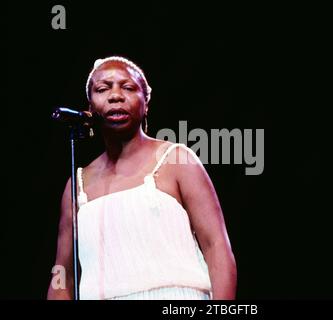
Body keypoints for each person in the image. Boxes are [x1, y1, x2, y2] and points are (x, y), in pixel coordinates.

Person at [47, 56, 237, 300]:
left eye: (128, 87)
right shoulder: (79, 184)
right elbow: (62, 274)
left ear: (146, 101)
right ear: (90, 106)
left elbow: (216, 247)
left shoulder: (176, 160)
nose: (115, 95)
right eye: (103, 89)